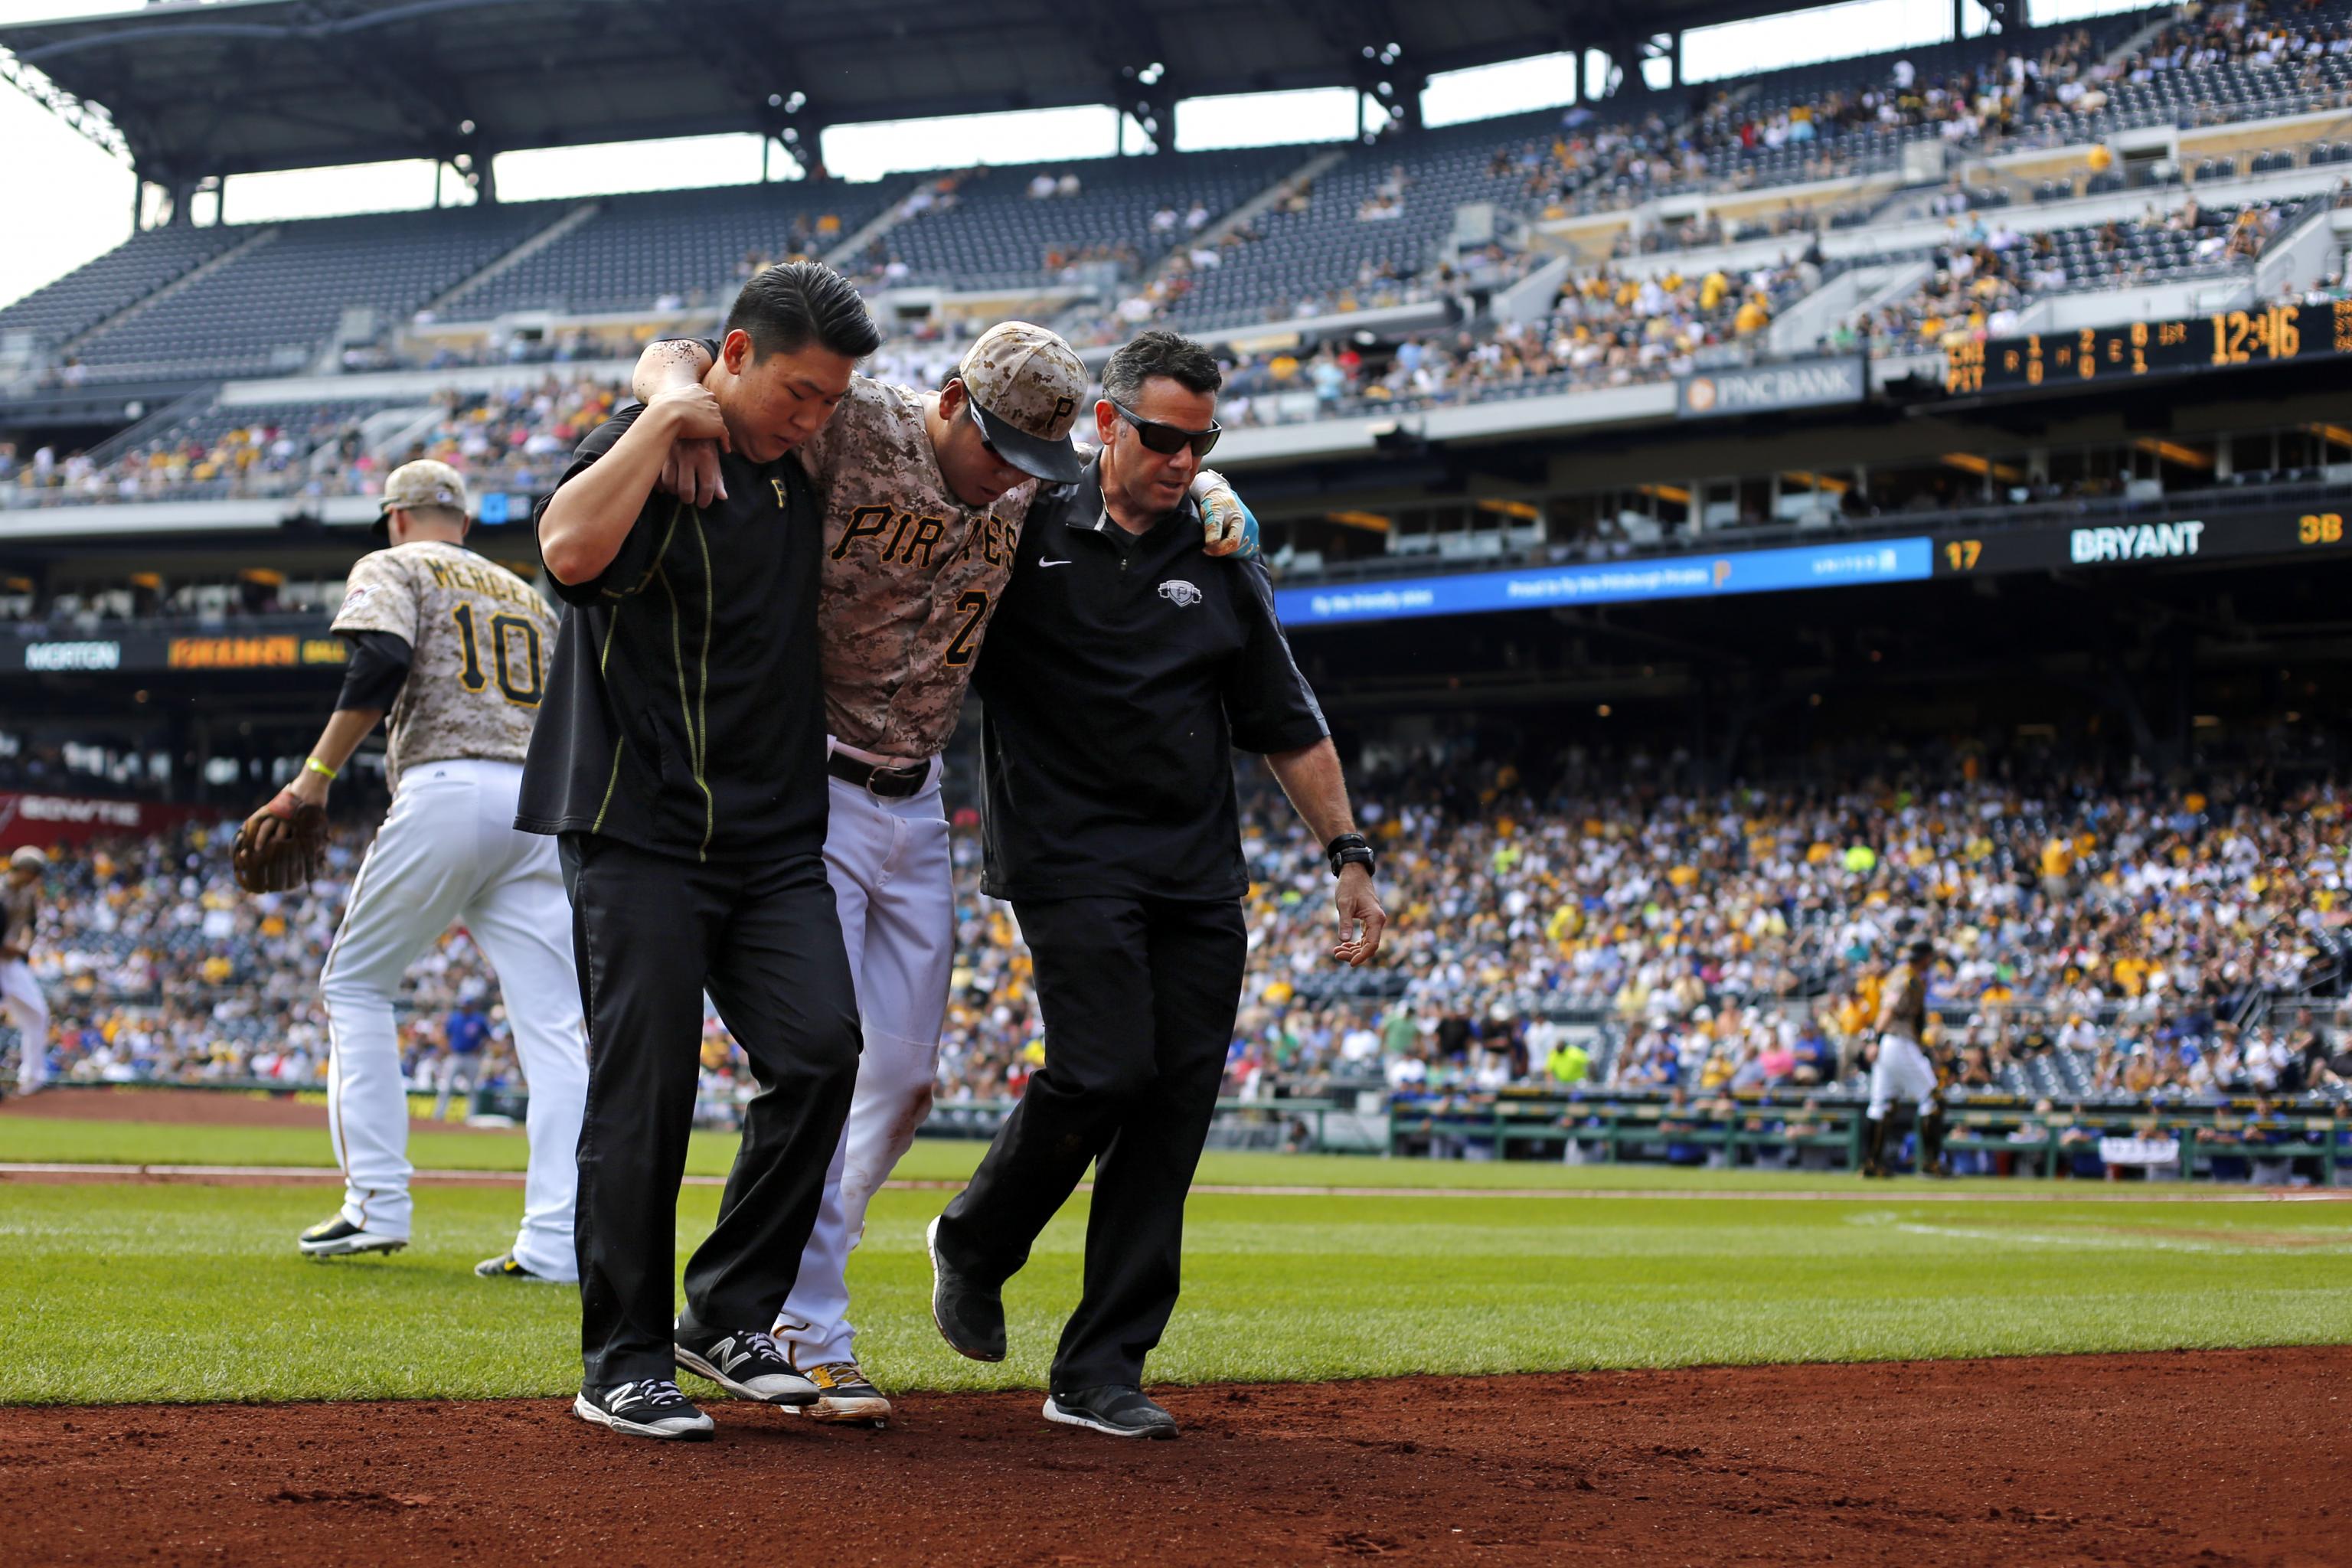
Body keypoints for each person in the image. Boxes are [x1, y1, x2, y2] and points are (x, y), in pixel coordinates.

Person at [626, 322, 1261, 1424]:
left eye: (1040, 460)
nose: (1017, 478)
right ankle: (798, 1326)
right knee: (825, 1056)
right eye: (1005, 448)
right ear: (958, 403)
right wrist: (670, 392)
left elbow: (1145, 485)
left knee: (905, 1082)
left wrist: (1220, 489)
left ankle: (793, 1310)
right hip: (806, 782)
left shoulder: (1032, 495)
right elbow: (713, 356)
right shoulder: (855, 419)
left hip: (914, 794)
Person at [923, 330, 1387, 1440]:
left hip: (1193, 872)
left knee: (1173, 1108)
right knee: (1106, 1067)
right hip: (1066, 855)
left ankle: (1099, 1371)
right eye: (1165, 437)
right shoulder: (1019, 524)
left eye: (1203, 443)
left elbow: (1285, 720)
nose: (1182, 461)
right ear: (1106, 423)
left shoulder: (1224, 555)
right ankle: (976, 1241)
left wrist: (1349, 856)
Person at [522, 260, 873, 1442]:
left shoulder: (807, 460)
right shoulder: (653, 439)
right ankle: (619, 1358)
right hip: (638, 825)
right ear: (736, 355)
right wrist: (666, 408)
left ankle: (723, 1311)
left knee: (823, 1052)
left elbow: (963, 428)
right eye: (799, 392)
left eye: (832, 399)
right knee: (648, 1092)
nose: (815, 417)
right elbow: (567, 551)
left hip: (773, 837)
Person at [283, 459, 589, 1280]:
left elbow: (379, 658)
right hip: (538, 805)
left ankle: (375, 1203)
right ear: (462, 517)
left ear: (395, 517)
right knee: (557, 1028)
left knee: (355, 985)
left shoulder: (396, 562)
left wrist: (313, 776)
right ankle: (557, 1241)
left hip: (449, 785)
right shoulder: (527, 591)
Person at [1861, 937, 1945, 1178]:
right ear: (1927, 958)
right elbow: (1888, 1009)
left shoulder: (1905, 974)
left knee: (1882, 1105)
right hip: (1897, 1041)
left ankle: (1871, 1164)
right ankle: (1931, 1165)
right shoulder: (1904, 977)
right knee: (1933, 1100)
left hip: (1892, 1043)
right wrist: (1874, 1040)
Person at [2, 846, 51, 1096]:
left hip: (10, 964)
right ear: (23, 869)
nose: (36, 877)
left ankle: (33, 1079)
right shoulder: (1, 892)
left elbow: (30, 925)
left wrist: (24, 945)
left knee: (37, 1014)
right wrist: (15, 947)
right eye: (35, 871)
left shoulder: (29, 894)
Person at [434, 996, 492, 1122]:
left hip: (472, 1057)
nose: (463, 1008)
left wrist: (479, 1049)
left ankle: (470, 1117)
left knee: (472, 1089)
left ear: (471, 1006)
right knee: (446, 1086)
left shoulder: (478, 1019)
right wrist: (448, 1050)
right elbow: (446, 1035)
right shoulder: (455, 1018)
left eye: (466, 1006)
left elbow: (487, 1037)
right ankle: (439, 1115)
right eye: (462, 1006)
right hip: (456, 1056)